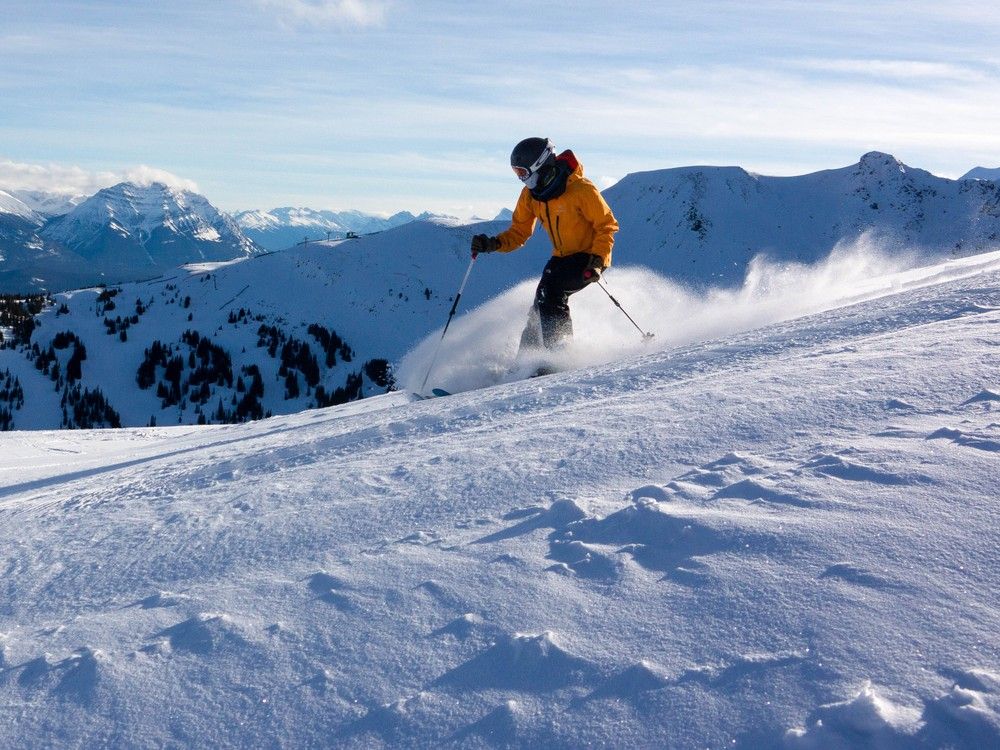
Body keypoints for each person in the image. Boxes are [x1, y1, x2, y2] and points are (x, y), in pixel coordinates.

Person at [471, 137, 619, 358]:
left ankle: (559, 356)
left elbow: (606, 226)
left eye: (522, 172)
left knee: (551, 292)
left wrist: (597, 260)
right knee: (539, 305)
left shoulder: (580, 189)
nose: (521, 178)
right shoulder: (532, 195)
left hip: (588, 257)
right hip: (561, 257)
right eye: (517, 173)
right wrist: (493, 244)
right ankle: (525, 363)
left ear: (538, 164)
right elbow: (520, 231)